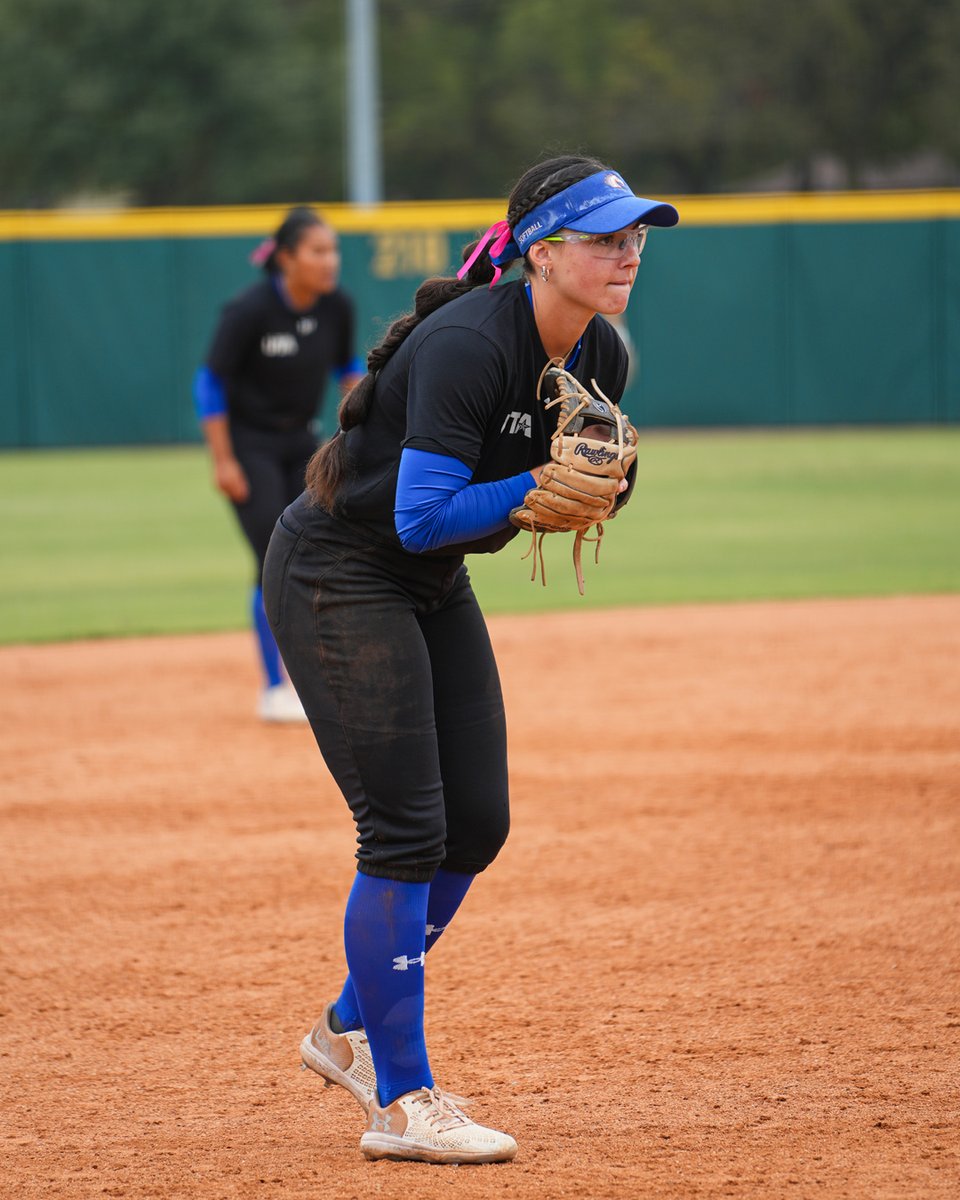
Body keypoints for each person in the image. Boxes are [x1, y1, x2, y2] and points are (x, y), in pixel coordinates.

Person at [262, 156, 678, 1163]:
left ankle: (345, 1027)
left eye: (637, 233)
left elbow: (560, 481)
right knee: (404, 827)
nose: (629, 249)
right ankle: (403, 1101)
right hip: (341, 571)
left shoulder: (601, 354)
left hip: (429, 580)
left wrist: (603, 488)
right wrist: (540, 482)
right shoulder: (467, 346)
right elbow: (417, 517)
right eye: (604, 234)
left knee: (476, 822)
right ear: (543, 253)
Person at [193, 206, 363, 722]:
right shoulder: (249, 310)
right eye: (317, 251)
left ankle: (321, 679)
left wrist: (353, 437)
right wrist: (223, 460)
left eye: (333, 250)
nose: (330, 260)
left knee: (323, 552)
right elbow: (209, 381)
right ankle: (274, 688)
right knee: (273, 558)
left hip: (304, 445)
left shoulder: (337, 306)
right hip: (250, 447)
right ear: (286, 259)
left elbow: (349, 371)